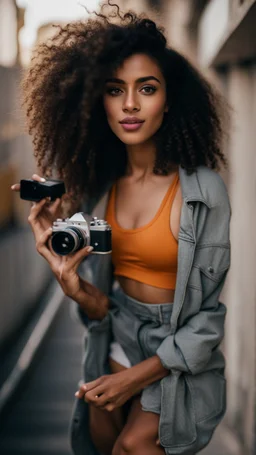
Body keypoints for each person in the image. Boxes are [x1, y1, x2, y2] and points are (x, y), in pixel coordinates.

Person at [11, 2, 231, 454]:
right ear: (99, 101)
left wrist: (134, 377)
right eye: (115, 90)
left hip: (173, 352)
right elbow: (104, 309)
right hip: (112, 339)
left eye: (146, 88)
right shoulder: (97, 192)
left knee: (133, 446)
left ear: (168, 99)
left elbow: (208, 321)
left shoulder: (202, 191)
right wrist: (74, 287)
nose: (130, 104)